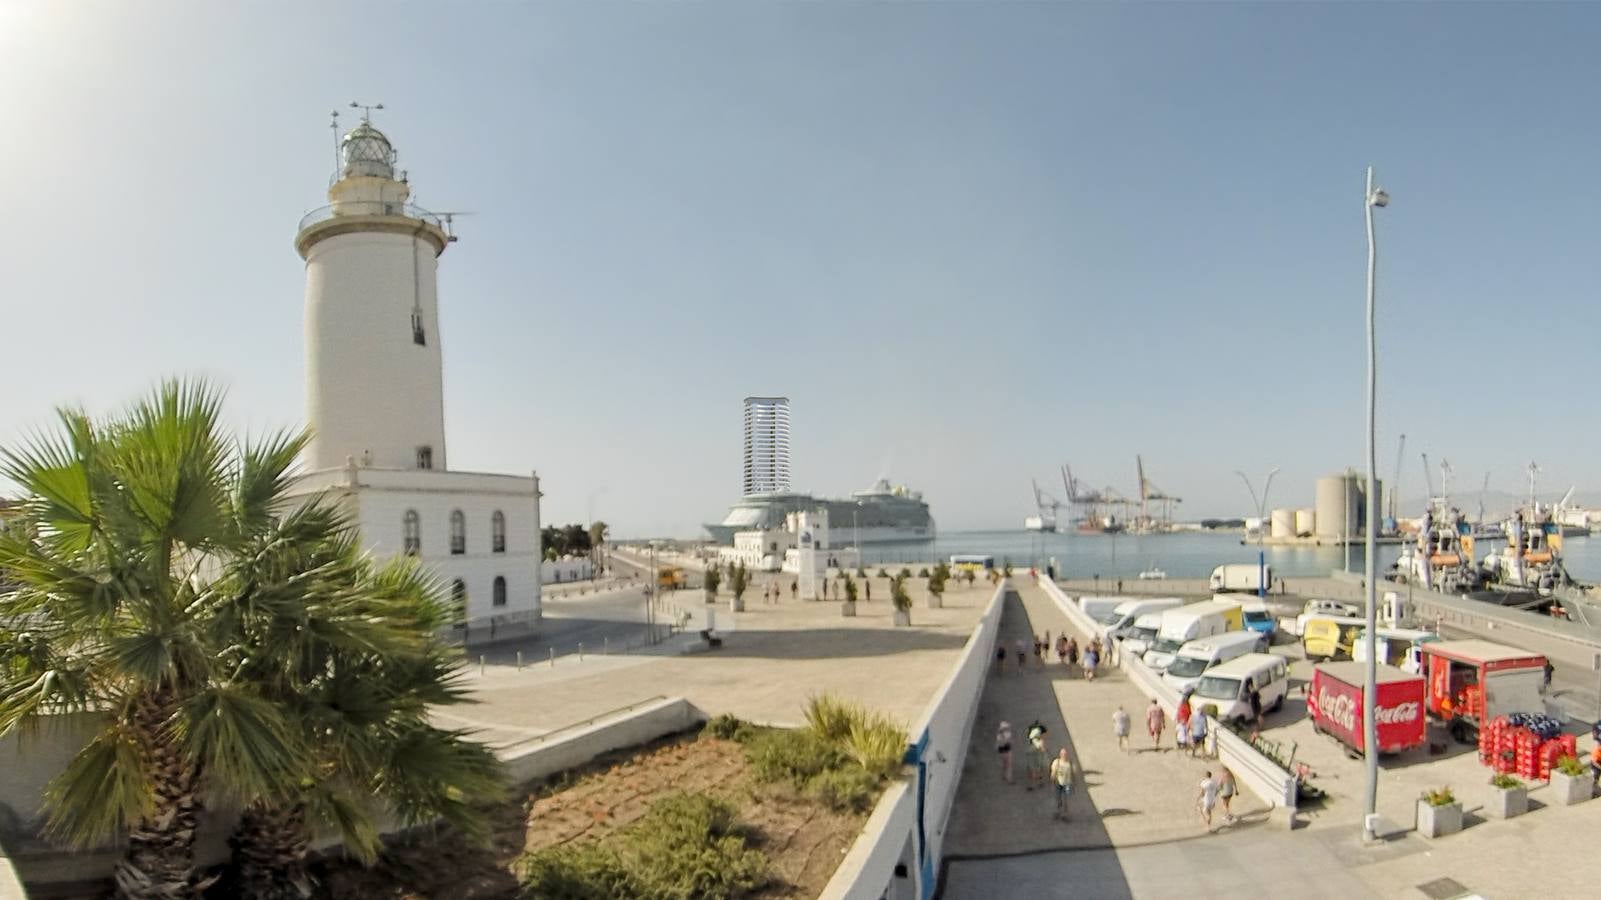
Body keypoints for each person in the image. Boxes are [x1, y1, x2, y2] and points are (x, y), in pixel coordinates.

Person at [1050, 748, 1074, 820]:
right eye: (1063, 754)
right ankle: (1059, 812)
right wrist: (1052, 780)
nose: (1064, 755)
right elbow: (1053, 772)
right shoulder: (1056, 762)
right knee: (1058, 798)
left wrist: (1074, 783)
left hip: (1067, 784)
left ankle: (1065, 814)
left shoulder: (1069, 763)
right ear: (1060, 755)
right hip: (1058, 783)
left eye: (1065, 754)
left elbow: (1072, 773)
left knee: (1066, 800)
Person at [1026, 722, 1049, 790]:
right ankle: (1039, 782)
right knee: (1039, 768)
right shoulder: (1038, 740)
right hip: (1037, 754)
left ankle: (1033, 784)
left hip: (1033, 754)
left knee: (1033, 769)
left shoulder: (1033, 738)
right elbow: (1042, 748)